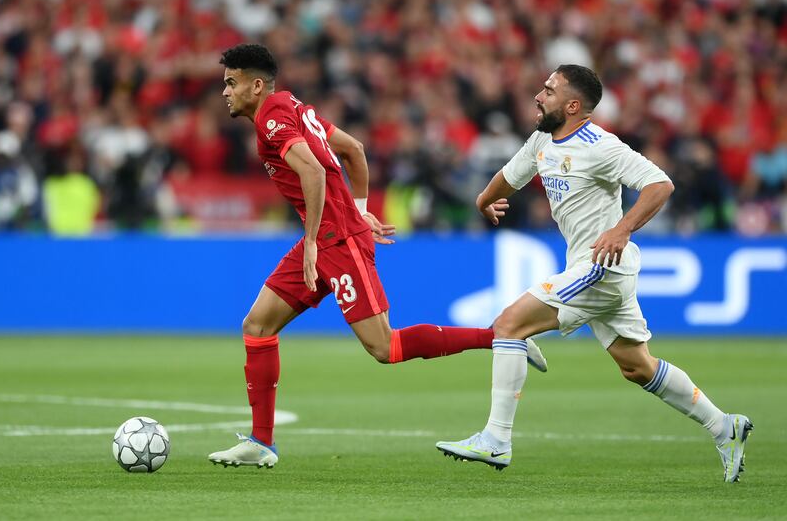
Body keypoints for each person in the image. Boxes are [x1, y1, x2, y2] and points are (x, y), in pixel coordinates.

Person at [207, 44, 547, 468]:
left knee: (384, 347)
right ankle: (261, 442)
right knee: (257, 325)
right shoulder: (294, 107)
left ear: (255, 86)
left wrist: (319, 236)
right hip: (330, 234)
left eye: (231, 83)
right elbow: (354, 149)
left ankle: (501, 336)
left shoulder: (275, 118)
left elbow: (313, 170)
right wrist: (361, 209)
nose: (225, 92)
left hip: (335, 242)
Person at [435, 65, 753, 483]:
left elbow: (660, 185)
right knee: (635, 365)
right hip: (588, 266)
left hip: (602, 266)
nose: (538, 96)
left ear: (571, 105)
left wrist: (621, 230)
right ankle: (724, 426)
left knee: (509, 324)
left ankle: (497, 437)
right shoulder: (541, 141)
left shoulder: (601, 145)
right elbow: (508, 178)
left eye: (548, 91)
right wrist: (484, 200)